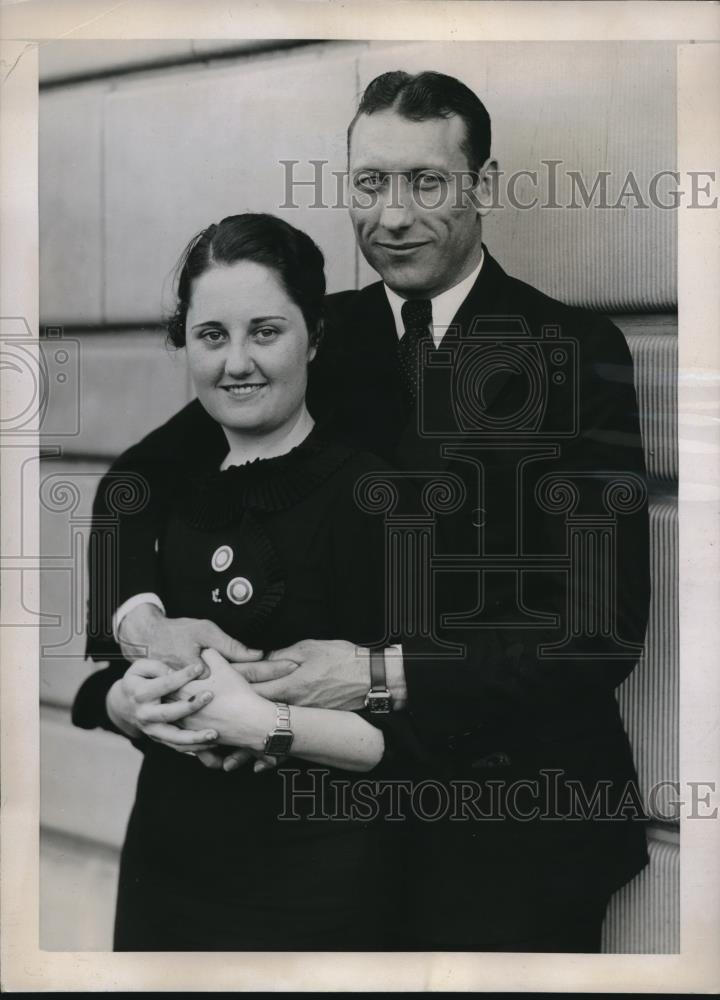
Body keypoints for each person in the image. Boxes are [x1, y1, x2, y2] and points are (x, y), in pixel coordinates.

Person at [78, 71, 651, 952]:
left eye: (426, 183)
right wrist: (145, 621)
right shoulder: (309, 337)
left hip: (517, 818)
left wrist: (382, 670)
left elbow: (600, 628)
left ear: (481, 188)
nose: (392, 216)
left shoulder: (574, 351)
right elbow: (132, 488)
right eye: (371, 184)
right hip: (346, 830)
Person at [73, 213, 417, 951]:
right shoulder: (171, 490)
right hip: (168, 869)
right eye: (212, 336)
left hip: (318, 884)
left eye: (265, 332)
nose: (237, 362)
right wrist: (130, 702)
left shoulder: (369, 492)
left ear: (314, 338)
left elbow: (411, 737)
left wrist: (264, 724)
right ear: (186, 344)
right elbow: (105, 687)